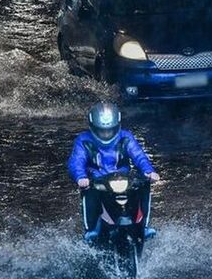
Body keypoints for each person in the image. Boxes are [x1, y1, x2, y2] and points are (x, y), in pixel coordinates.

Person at [67, 102, 160, 242]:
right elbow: (76, 162)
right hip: (97, 181)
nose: (106, 134)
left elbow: (139, 156)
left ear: (116, 126)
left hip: (124, 179)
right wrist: (81, 177)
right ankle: (90, 230)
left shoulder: (126, 137)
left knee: (144, 185)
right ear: (93, 128)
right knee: (87, 190)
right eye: (102, 131)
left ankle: (144, 226)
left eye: (109, 130)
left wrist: (149, 172)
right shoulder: (83, 140)